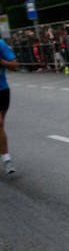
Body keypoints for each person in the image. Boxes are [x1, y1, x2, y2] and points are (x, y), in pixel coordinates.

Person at [1, 37, 19, 174]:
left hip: (2, 90)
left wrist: (1, 61)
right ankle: (7, 159)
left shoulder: (0, 44)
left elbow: (15, 66)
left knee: (1, 124)